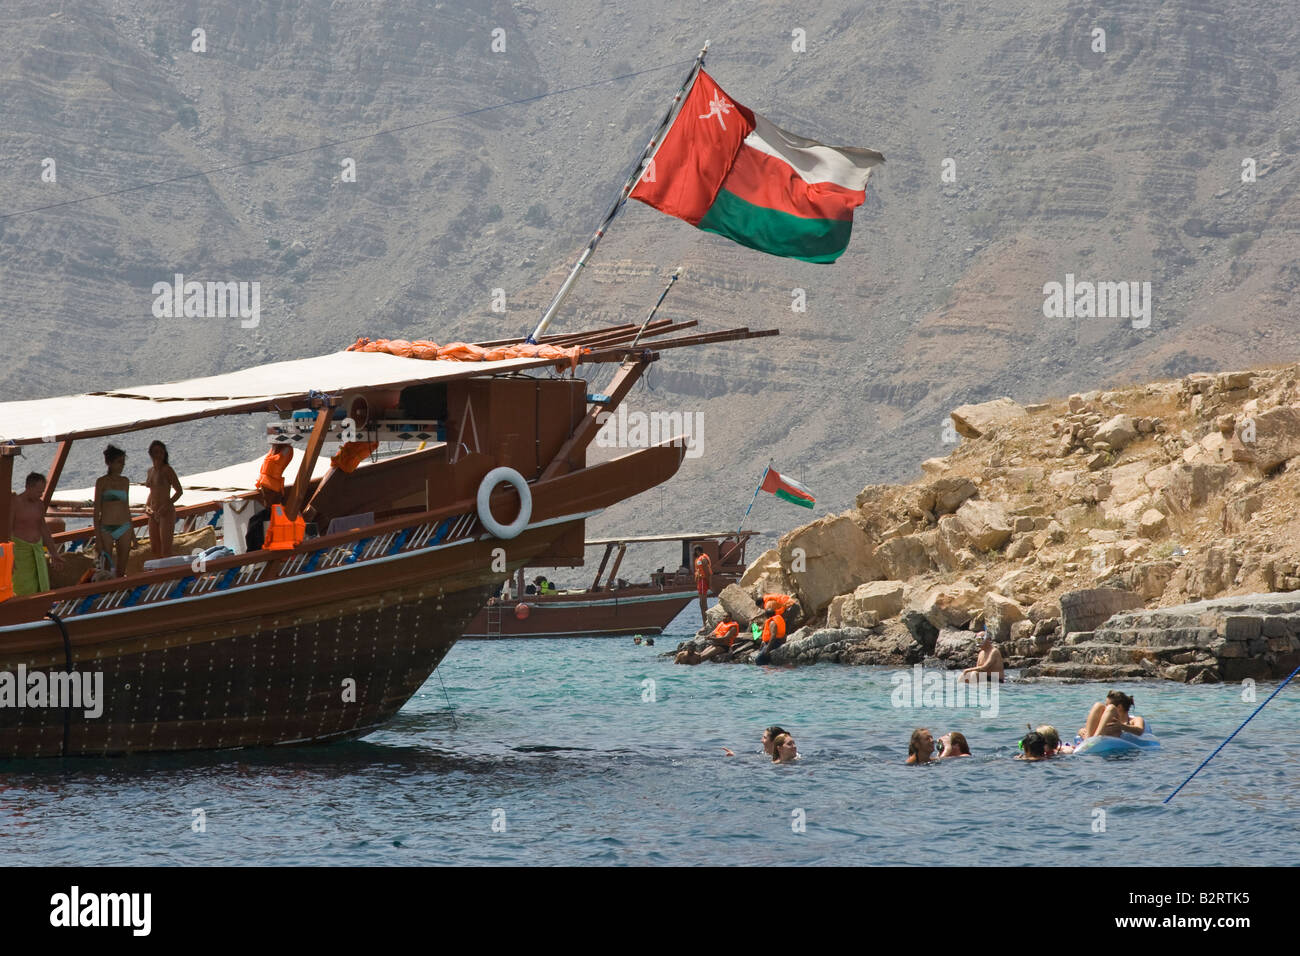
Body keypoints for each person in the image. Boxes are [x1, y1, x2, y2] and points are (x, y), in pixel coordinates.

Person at [8, 472, 64, 595]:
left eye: (42, 492)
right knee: (21, 586)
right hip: (19, 551)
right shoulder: (15, 502)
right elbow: (7, 530)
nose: (41, 495)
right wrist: (9, 557)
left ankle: (41, 610)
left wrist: (54, 553)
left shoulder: (39, 504)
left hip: (37, 550)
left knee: (41, 584)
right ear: (28, 487)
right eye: (39, 491)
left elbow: (44, 529)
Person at [94, 444, 134, 577]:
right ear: (109, 463)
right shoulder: (101, 482)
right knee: (107, 567)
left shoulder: (125, 481)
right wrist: (98, 538)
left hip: (124, 526)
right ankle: (108, 594)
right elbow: (96, 511)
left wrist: (133, 533)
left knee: (121, 568)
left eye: (123, 462)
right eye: (119, 462)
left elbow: (126, 507)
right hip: (106, 527)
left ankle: (119, 593)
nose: (122, 465)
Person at [144, 440, 183, 559]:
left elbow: (179, 491)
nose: (159, 455)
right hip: (153, 513)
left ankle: (173, 574)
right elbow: (153, 491)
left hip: (166, 512)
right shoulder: (150, 471)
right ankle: (161, 576)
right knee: (155, 549)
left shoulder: (167, 470)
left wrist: (166, 505)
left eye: (161, 452)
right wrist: (147, 507)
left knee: (166, 550)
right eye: (156, 452)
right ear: (151, 454)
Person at [1080, 691, 1145, 740]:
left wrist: (1121, 726)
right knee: (1098, 705)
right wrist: (1081, 731)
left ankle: (1094, 740)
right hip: (1097, 740)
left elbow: (1140, 731)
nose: (1106, 708)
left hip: (1116, 744)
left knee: (1111, 708)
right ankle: (1088, 741)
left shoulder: (1135, 719)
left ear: (1119, 707)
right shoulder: (1104, 718)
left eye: (1107, 705)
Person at [256, 439, 294, 508]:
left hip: (269, 485)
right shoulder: (283, 449)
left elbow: (276, 460)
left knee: (272, 508)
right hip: (269, 485)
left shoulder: (285, 449)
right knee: (273, 508)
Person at [692, 545, 712, 623]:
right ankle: (704, 622)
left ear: (697, 551)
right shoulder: (698, 559)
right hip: (700, 581)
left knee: (703, 602)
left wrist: (709, 584)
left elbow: (707, 572)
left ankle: (706, 621)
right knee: (701, 603)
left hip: (703, 580)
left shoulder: (703, 559)